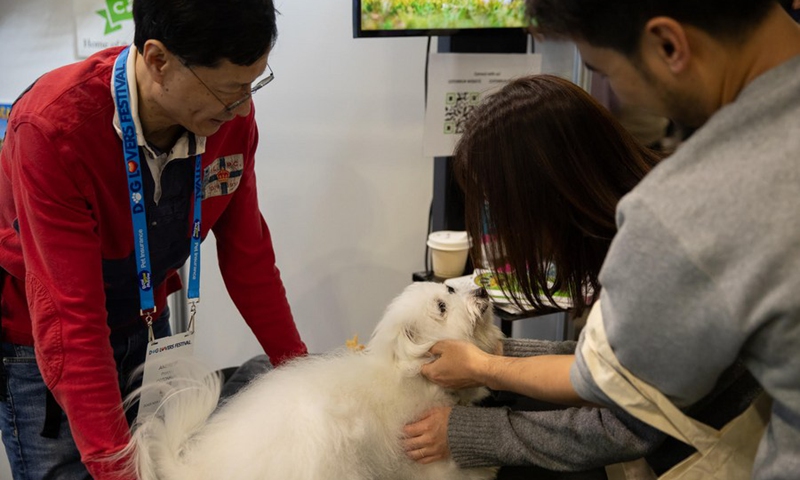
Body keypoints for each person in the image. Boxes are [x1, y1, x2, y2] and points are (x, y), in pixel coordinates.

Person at [414, 2, 800, 479]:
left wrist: (476, 406)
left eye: (604, 70)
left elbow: (620, 412)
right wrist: (495, 355)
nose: (617, 92)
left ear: (668, 45)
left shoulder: (684, 214)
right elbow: (616, 361)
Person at [0, 0, 307, 479]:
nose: (244, 108)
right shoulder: (53, 130)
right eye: (231, 90)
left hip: (145, 324)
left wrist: (303, 381)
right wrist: (113, 468)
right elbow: (71, 319)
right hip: (46, 343)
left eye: (253, 86)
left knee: (162, 466)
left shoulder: (227, 122)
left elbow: (250, 259)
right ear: (158, 59)